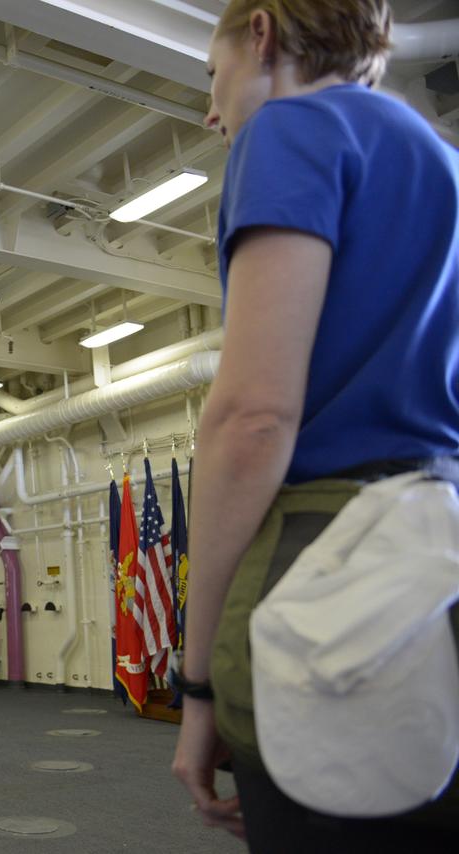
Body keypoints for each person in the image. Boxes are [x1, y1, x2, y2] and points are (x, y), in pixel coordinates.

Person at [170, 1, 459, 850]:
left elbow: (254, 418)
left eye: (211, 73)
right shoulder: (442, 162)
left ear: (261, 36)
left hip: (330, 563)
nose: (211, 108)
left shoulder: (293, 129)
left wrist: (197, 689)